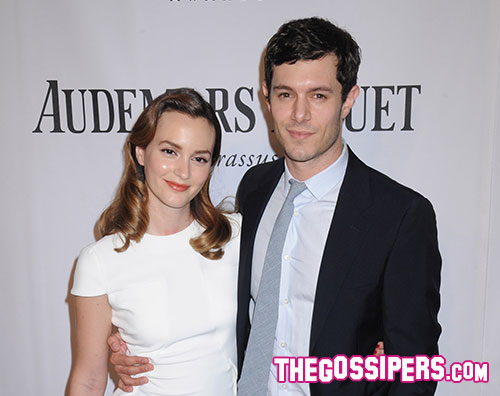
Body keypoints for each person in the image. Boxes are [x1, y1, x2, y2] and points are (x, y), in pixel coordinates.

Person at [110, 17, 441, 396]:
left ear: (348, 99)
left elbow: (416, 369)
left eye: (318, 95)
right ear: (266, 97)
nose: (299, 115)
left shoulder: (400, 216)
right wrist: (136, 345)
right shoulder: (256, 186)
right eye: (285, 95)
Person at [67, 88, 241, 396]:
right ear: (141, 152)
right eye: (170, 151)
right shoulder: (100, 260)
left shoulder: (235, 236)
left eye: (199, 158)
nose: (183, 171)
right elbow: (88, 380)